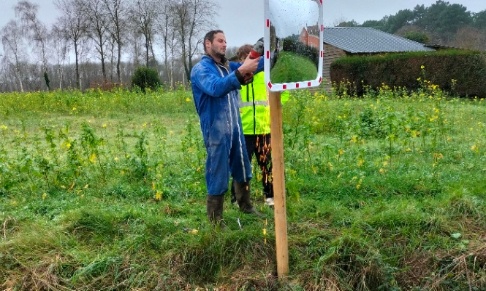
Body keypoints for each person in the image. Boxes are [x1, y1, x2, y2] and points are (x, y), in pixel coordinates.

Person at [190, 30, 264, 226]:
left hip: (235, 129)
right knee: (218, 172)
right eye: (220, 41)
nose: (224, 44)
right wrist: (239, 73)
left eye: (226, 41)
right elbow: (216, 88)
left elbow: (254, 67)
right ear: (208, 44)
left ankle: (246, 206)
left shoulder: (228, 66)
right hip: (216, 132)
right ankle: (216, 219)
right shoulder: (201, 70)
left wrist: (265, 52)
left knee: (243, 168)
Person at [230, 44, 289, 207]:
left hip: (264, 129)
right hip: (243, 130)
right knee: (240, 165)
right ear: (241, 60)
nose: (248, 61)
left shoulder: (265, 76)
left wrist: (275, 108)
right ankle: (237, 198)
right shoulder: (236, 79)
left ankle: (270, 196)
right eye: (244, 58)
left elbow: (284, 91)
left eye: (252, 58)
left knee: (268, 165)